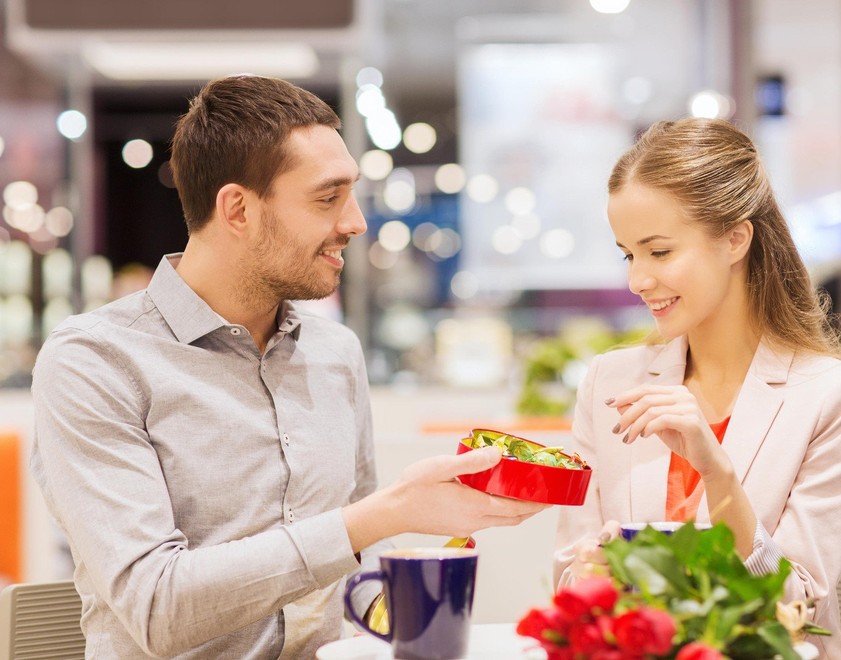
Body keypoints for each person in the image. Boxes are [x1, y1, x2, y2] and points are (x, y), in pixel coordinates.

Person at [30, 75, 546, 659]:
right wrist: (374, 519)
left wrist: (419, 584)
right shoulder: (96, 361)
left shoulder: (335, 352)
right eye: (328, 198)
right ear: (238, 209)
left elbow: (364, 558)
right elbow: (156, 607)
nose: (355, 222)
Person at [554, 118, 841, 659]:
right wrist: (589, 572)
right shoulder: (609, 383)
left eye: (659, 252)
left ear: (735, 238)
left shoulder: (835, 396)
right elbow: (570, 580)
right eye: (628, 255)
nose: (637, 280)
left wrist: (715, 467)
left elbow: (794, 606)